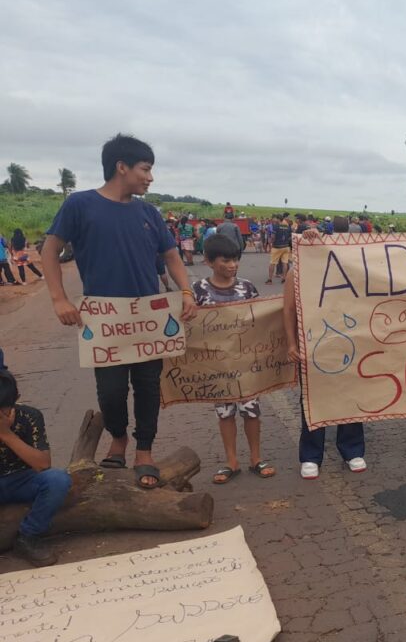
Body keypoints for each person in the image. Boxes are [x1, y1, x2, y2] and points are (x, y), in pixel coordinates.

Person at [41, 133, 198, 489]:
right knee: (110, 390)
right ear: (121, 167)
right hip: (104, 320)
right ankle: (118, 436)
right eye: (145, 169)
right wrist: (59, 299)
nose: (150, 177)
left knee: (146, 385)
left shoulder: (149, 213)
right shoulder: (79, 205)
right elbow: (49, 251)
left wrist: (185, 291)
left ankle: (144, 449)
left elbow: (171, 255)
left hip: (150, 318)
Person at [193, 234, 276, 483]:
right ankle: (231, 460)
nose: (232, 265)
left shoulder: (247, 287)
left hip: (246, 364)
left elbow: (261, 319)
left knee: (251, 411)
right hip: (216, 366)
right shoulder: (198, 291)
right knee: (225, 413)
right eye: (225, 260)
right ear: (208, 262)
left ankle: (255, 458)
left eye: (235, 260)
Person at [282, 268, 367, 477]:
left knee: (349, 394)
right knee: (312, 398)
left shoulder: (347, 265)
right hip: (312, 344)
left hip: (348, 341)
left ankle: (352, 449)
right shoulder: (297, 271)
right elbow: (289, 309)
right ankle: (311, 456)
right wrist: (292, 343)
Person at [0, 370, 73, 566]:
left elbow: (42, 464)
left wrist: (6, 434)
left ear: (16, 400)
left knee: (58, 479)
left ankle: (28, 536)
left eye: (4, 411)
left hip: (22, 479)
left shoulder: (30, 416)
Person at [267, 214, 293, 284]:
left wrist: (271, 241)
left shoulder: (276, 226)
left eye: (275, 218)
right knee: (285, 263)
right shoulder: (288, 227)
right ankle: (284, 279)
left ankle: (270, 279)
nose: (273, 220)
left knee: (272, 263)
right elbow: (290, 237)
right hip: (286, 247)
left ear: (278, 219)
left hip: (277, 247)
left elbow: (272, 236)